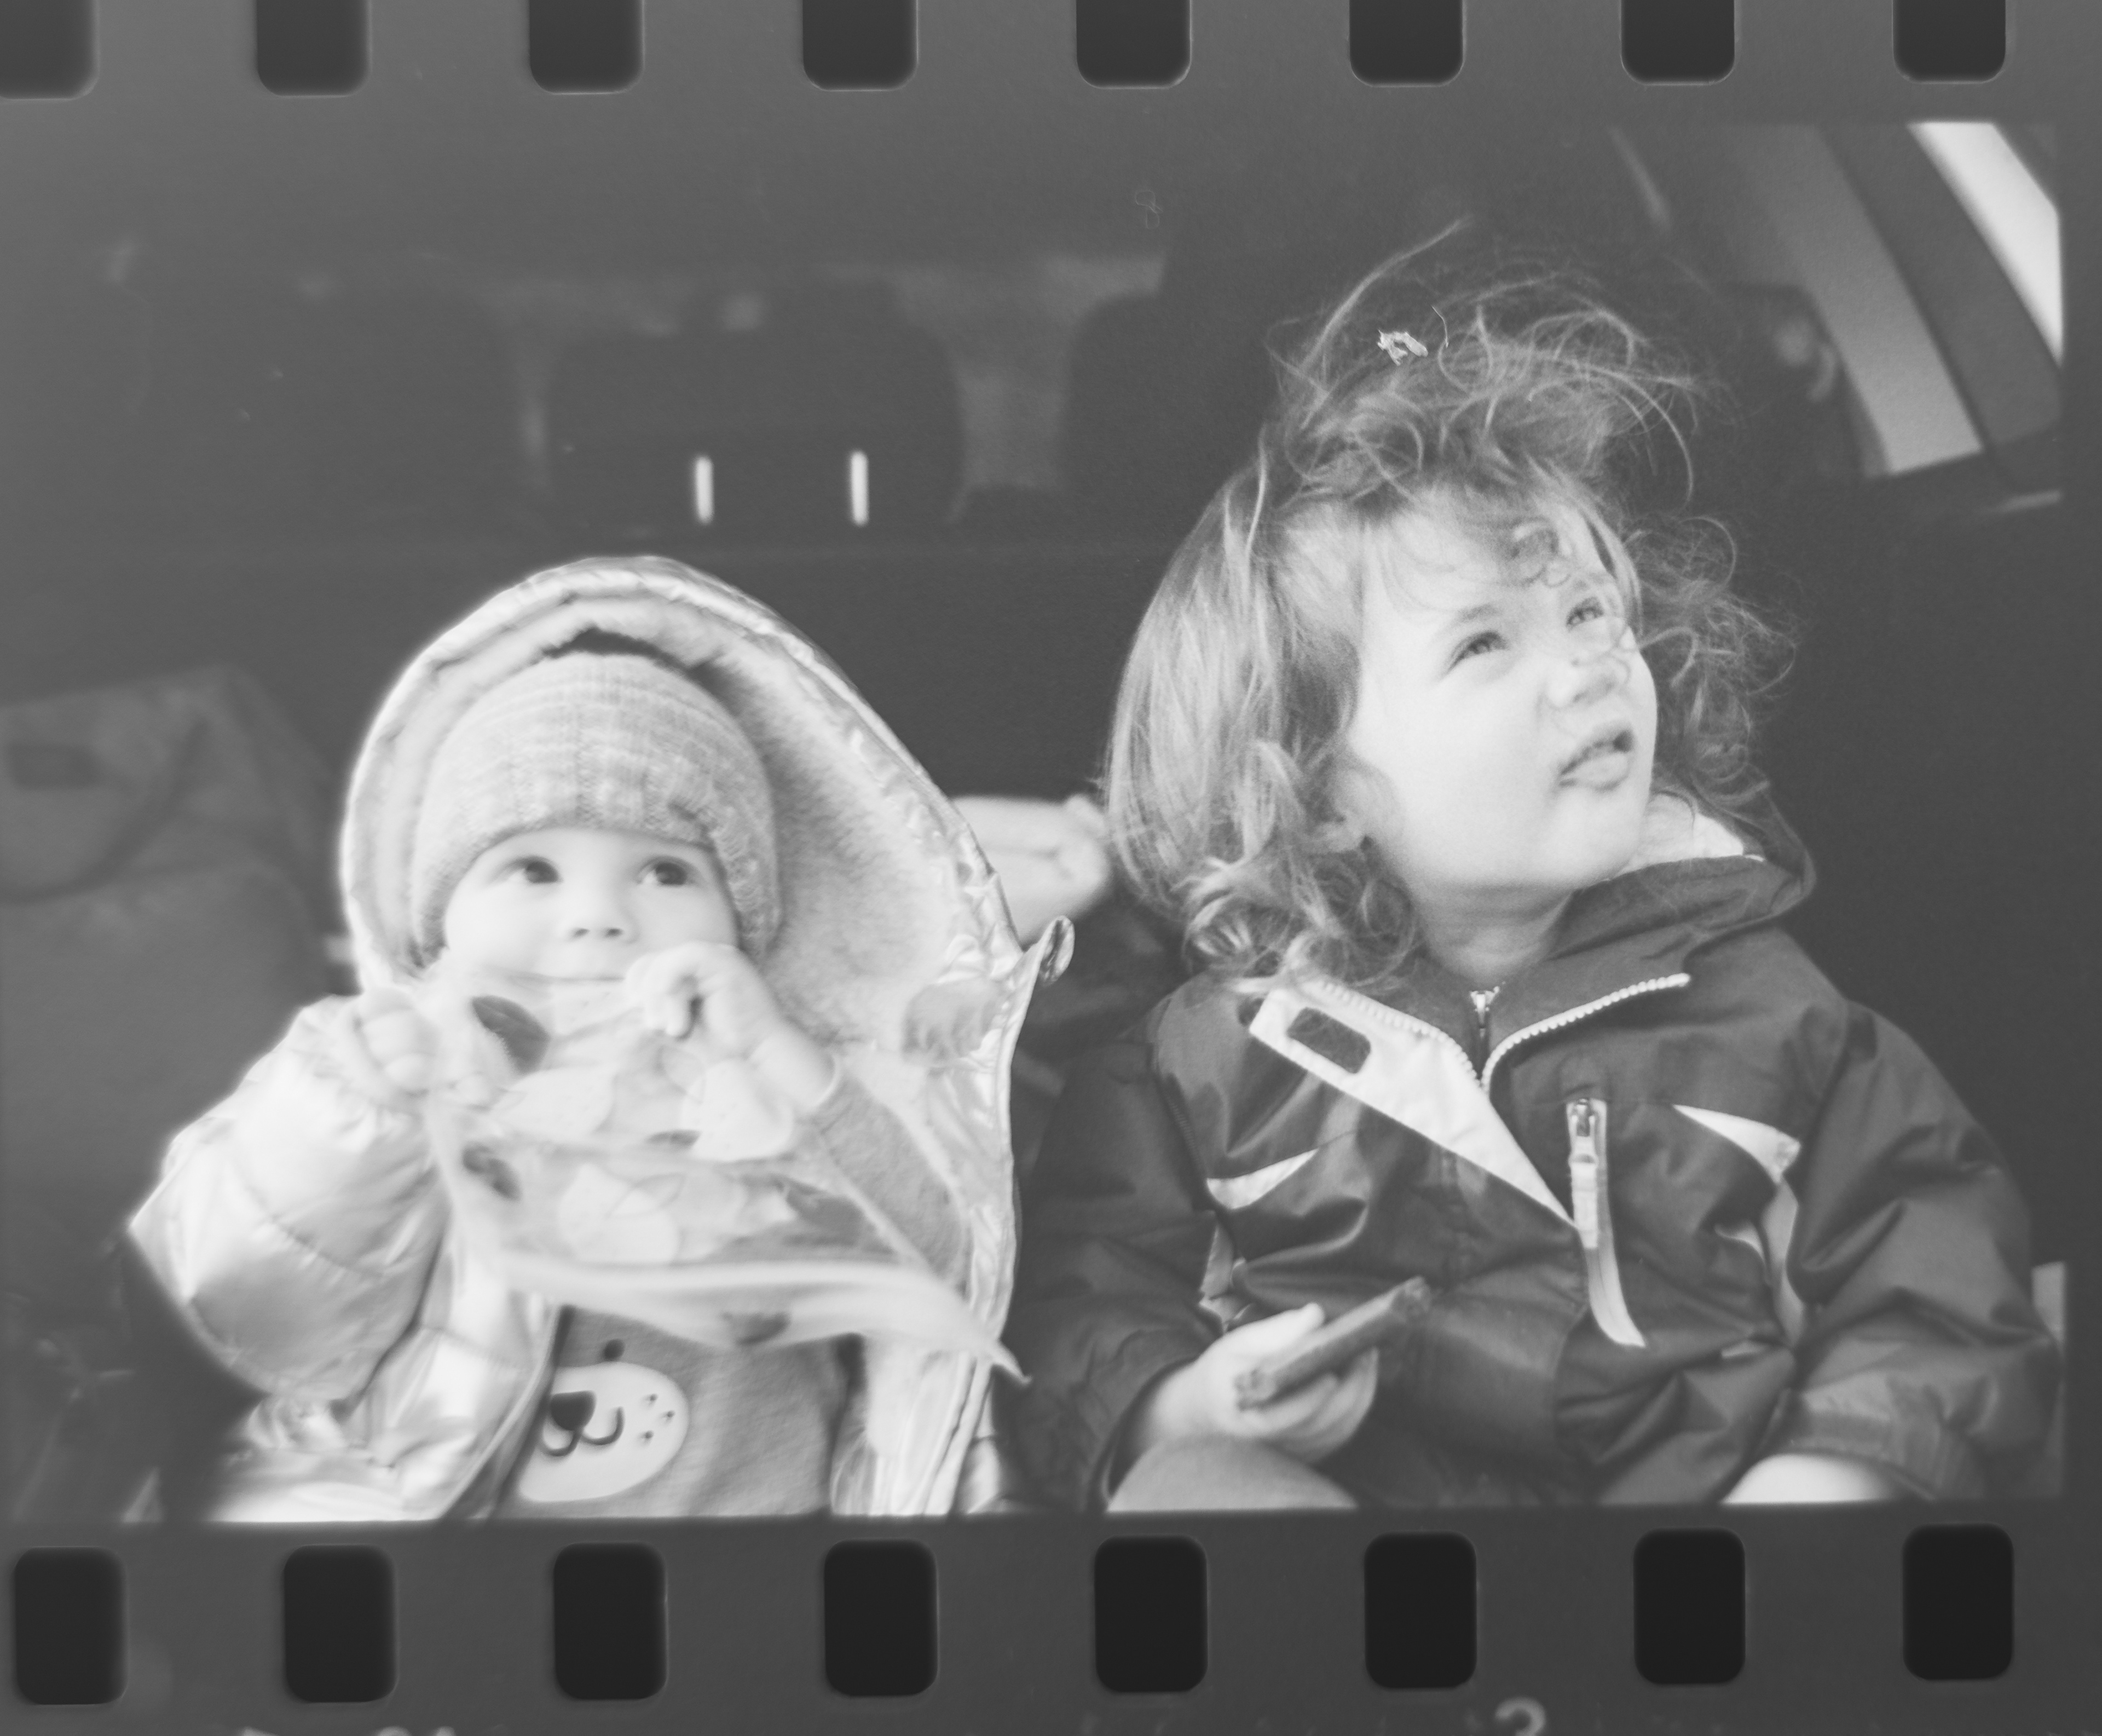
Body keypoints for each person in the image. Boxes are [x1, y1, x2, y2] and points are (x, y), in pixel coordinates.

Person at [1004, 243, 2060, 1512]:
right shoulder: (1204, 1063)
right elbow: (1073, 1309)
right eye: (1485, 643)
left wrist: (1820, 1480)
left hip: (1688, 1555)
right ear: (1321, 794)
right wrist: (1189, 1403)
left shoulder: (1781, 1022)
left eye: (1591, 610)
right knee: (1192, 1491)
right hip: (1349, 1574)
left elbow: (1936, 1293)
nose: (1588, 666)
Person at [126, 557, 1041, 1521]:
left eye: (666, 873)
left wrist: (785, 1058)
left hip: (768, 1545)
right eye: (532, 870)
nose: (598, 916)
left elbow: (939, 1265)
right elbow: (263, 1314)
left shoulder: (778, 1068)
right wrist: (361, 1118)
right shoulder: (395, 1066)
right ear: (440, 918)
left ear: (741, 922)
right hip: (477, 1551)